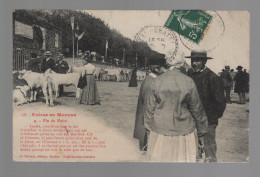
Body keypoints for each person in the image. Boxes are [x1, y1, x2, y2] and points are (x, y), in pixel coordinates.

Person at [144, 50, 208, 162]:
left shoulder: (157, 81)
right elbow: (197, 110)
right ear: (182, 63)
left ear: (167, 63)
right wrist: (201, 133)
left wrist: (149, 131)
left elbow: (149, 109)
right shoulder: (189, 81)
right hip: (184, 133)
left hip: (160, 132)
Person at [186, 50, 226, 162]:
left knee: (209, 152)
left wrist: (211, 120)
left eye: (197, 61)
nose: (194, 63)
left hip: (208, 120)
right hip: (191, 120)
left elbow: (220, 103)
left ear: (204, 61)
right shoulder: (189, 75)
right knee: (193, 152)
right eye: (193, 60)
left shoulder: (213, 78)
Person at [133, 65, 162, 151]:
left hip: (144, 125)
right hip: (147, 128)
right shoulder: (152, 82)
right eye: (165, 68)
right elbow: (148, 108)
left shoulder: (150, 80)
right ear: (157, 69)